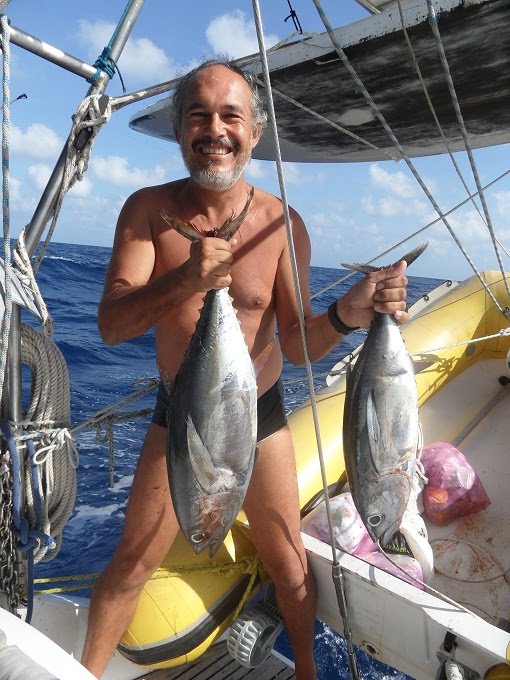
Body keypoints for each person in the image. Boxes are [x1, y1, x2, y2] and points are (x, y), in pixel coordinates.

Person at [81, 57, 410, 680]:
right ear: (179, 130)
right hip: (183, 414)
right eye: (198, 115)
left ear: (255, 132)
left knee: (289, 565)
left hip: (260, 413)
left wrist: (347, 313)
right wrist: (186, 279)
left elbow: (299, 345)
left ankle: (306, 671)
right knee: (131, 563)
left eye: (231, 116)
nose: (215, 130)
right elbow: (112, 325)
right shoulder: (147, 210)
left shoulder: (282, 224)